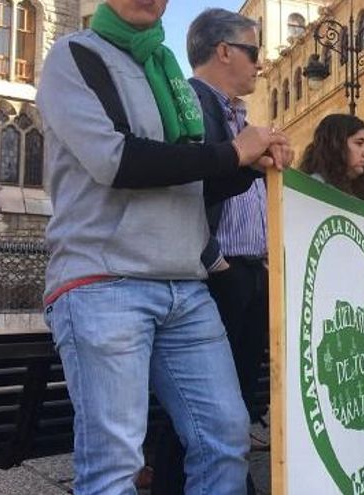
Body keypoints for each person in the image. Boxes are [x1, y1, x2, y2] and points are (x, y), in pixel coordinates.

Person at [36, 1, 292, 493]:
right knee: (114, 465)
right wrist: (231, 153)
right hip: (104, 282)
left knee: (226, 436)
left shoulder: (168, 72)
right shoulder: (75, 55)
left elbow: (190, 185)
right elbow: (116, 162)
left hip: (183, 285)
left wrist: (246, 168)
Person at [153, 9, 285, 494]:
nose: (262, 64)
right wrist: (216, 262)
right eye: (254, 51)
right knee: (200, 399)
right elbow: (188, 184)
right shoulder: (190, 103)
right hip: (216, 271)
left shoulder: (240, 116)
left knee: (236, 395)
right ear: (224, 51)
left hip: (248, 270)